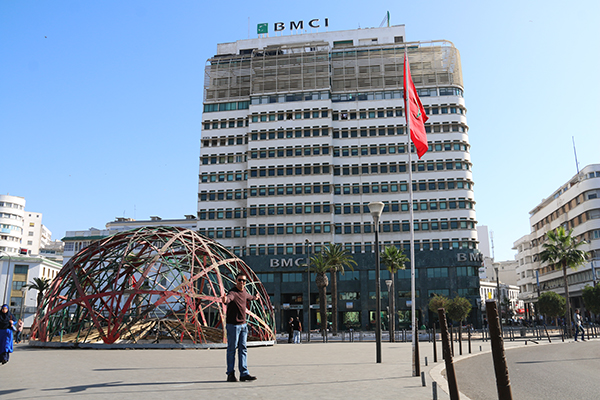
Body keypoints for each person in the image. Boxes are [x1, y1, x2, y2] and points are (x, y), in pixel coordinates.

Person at [221, 273, 260, 382]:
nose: (242, 282)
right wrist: (224, 299)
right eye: (240, 280)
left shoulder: (244, 292)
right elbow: (228, 299)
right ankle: (230, 374)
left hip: (243, 326)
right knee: (232, 350)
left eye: (244, 281)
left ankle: (244, 374)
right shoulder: (233, 292)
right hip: (233, 326)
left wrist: (256, 297)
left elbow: (249, 297)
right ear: (236, 280)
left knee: (243, 349)